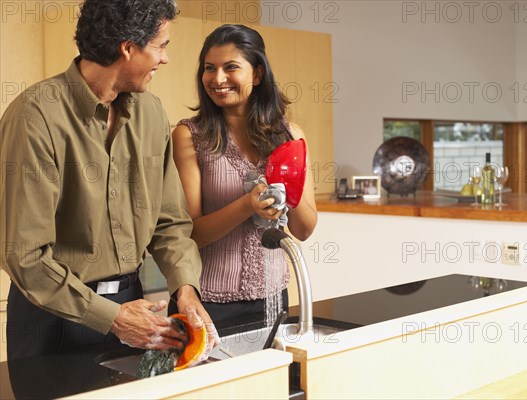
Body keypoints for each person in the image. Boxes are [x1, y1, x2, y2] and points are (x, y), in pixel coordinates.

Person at [0, 0, 217, 361]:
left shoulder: (150, 112)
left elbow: (170, 222)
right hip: (53, 316)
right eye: (161, 46)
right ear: (128, 47)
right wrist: (112, 318)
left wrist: (186, 288)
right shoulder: (35, 116)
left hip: (133, 306)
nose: (165, 59)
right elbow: (24, 255)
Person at [170, 24, 318, 325]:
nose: (218, 78)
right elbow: (191, 234)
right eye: (209, 68)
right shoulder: (189, 136)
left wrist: (290, 172)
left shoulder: (291, 135)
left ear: (258, 74)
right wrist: (247, 205)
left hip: (273, 296)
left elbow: (303, 229)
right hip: (208, 301)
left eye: (231, 67)